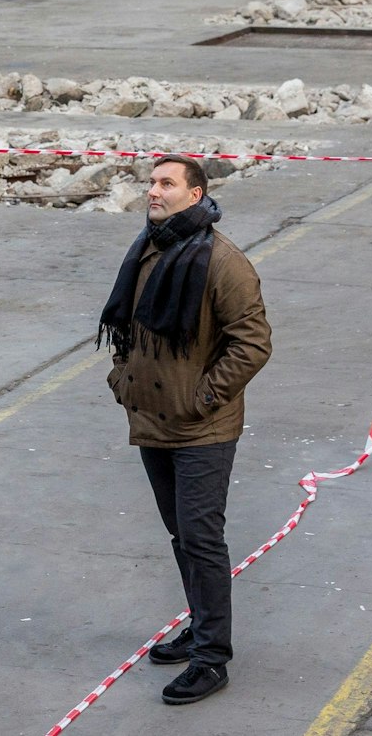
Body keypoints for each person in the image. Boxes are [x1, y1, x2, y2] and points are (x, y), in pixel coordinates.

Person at [99, 154, 272, 705]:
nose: (153, 191)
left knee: (201, 537)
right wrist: (122, 377)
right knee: (182, 535)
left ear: (195, 195)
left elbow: (253, 343)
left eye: (166, 183)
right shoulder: (150, 247)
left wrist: (203, 397)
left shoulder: (224, 263)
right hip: (151, 420)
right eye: (151, 182)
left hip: (202, 428)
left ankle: (212, 658)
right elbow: (128, 325)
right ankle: (201, 627)